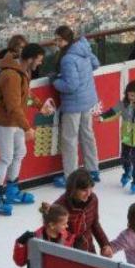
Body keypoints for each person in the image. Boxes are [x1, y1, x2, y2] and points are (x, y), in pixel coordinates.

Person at [0, 43, 50, 216]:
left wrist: (39, 105)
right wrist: (27, 128)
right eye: (39, 60)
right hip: (4, 121)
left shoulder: (22, 71)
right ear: (30, 59)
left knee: (20, 152)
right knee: (6, 157)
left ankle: (11, 190)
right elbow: (13, 106)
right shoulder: (11, 75)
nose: (40, 63)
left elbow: (25, 94)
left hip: (15, 120)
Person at [51, 27, 101, 188]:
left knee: (70, 139)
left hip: (73, 103)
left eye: (59, 40)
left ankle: (71, 176)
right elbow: (96, 64)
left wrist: (55, 81)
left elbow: (70, 86)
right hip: (88, 99)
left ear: (66, 39)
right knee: (87, 135)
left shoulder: (67, 59)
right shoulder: (83, 49)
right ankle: (93, 170)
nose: (57, 43)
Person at [43, 169, 113, 256]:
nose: (88, 194)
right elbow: (51, 231)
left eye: (90, 188)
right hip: (69, 252)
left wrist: (105, 245)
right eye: (84, 190)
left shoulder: (93, 199)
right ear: (73, 190)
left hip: (89, 249)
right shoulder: (60, 206)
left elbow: (95, 224)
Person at [13, 204, 70, 268]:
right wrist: (20, 243)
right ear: (52, 225)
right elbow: (20, 262)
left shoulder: (67, 238)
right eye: (64, 224)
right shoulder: (34, 239)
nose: (67, 226)